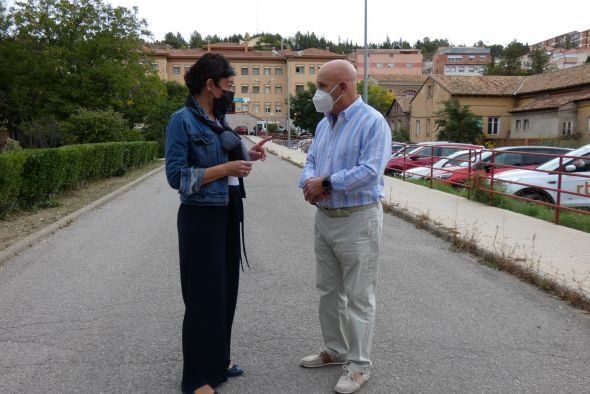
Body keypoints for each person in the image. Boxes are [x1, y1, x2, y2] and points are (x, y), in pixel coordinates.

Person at [165, 53, 271, 394]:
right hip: (200, 219)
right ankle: (197, 379)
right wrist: (226, 170)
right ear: (209, 85)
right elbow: (177, 177)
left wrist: (246, 156)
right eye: (228, 86)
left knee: (225, 294)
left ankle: (218, 362)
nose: (231, 92)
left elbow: (225, 155)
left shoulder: (218, 119)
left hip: (227, 213)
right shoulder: (182, 121)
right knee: (202, 297)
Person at [298, 59, 391, 394]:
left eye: (323, 86)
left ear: (344, 86)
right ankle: (335, 350)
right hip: (325, 219)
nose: (318, 93)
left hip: (358, 219)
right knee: (328, 291)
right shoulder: (325, 123)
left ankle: (359, 366)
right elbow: (310, 160)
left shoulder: (373, 123)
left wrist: (327, 183)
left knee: (358, 296)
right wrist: (309, 182)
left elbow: (370, 170)